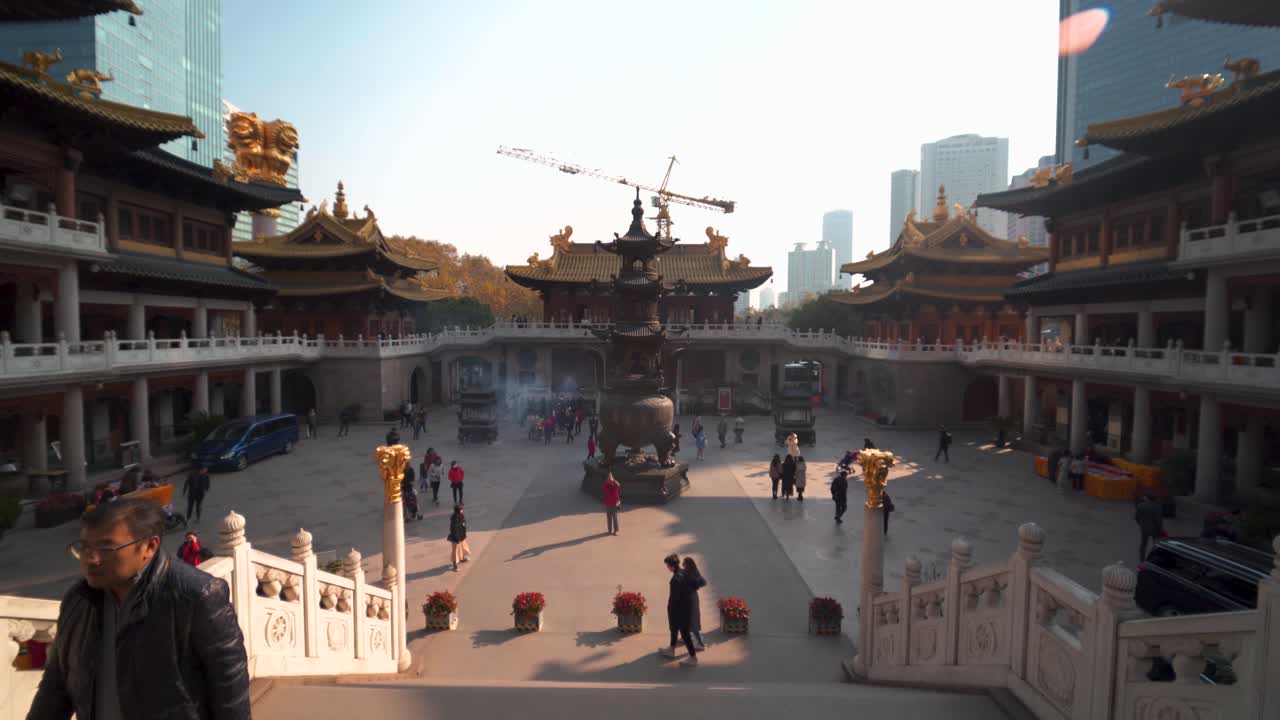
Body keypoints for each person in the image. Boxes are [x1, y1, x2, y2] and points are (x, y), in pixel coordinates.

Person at [29, 499, 249, 720]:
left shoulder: (195, 596)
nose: (91, 559)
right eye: (85, 547)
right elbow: (55, 686)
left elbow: (230, 684)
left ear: (149, 547)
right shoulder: (78, 602)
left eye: (105, 548)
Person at [659, 553, 699, 666]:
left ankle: (693, 657)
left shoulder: (675, 580)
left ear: (671, 566)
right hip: (688, 606)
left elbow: (674, 598)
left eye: (667, 565)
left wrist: (670, 609)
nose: (667, 567)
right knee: (674, 629)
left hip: (678, 610)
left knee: (684, 633)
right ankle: (671, 649)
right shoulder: (685, 573)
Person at [682, 557, 708, 651]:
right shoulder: (694, 572)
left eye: (684, 563)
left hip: (689, 599)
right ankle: (685, 637)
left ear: (687, 564)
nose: (683, 565)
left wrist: (694, 585)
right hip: (692, 597)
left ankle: (701, 644)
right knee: (687, 620)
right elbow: (703, 582)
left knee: (693, 622)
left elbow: (702, 582)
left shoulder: (688, 574)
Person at [1136, 495, 1164, 562]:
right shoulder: (1157, 507)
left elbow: (1137, 517)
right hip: (1155, 529)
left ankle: (1142, 560)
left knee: (1143, 544)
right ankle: (1154, 559)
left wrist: (1141, 524)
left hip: (1144, 529)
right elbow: (1159, 520)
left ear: (1147, 499)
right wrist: (1161, 529)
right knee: (1155, 544)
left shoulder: (1140, 506)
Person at [448, 505, 467, 571]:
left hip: (461, 536)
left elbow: (463, 525)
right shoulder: (454, 519)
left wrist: (464, 534)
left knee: (462, 547)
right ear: (458, 511)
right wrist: (457, 538)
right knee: (455, 551)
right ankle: (454, 565)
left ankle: (462, 558)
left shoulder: (461, 516)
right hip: (455, 538)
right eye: (461, 509)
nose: (462, 510)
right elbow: (453, 530)